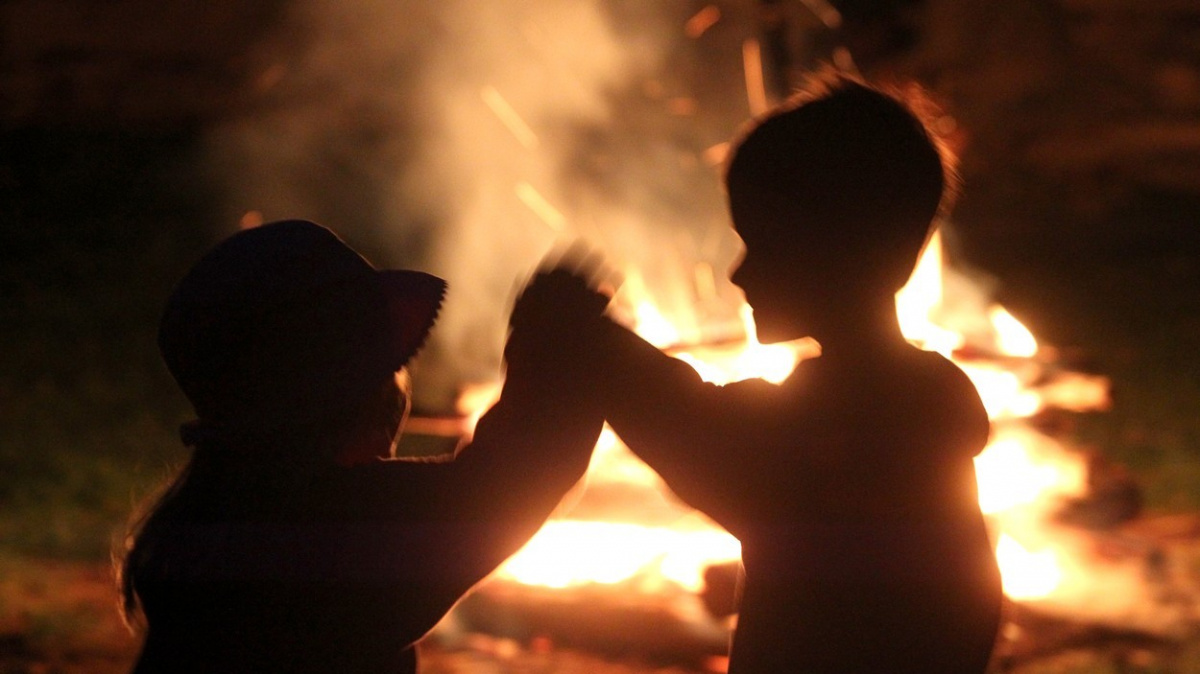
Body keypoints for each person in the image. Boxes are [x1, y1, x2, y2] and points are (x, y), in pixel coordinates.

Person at [558, 73, 1003, 672]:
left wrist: (595, 348)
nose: (738, 274)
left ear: (843, 255)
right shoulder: (926, 404)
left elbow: (701, 439)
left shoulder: (845, 430)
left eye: (763, 244)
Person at [120, 219, 608, 673]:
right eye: (380, 370)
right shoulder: (330, 531)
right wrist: (548, 343)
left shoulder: (197, 527)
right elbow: (508, 484)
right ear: (339, 390)